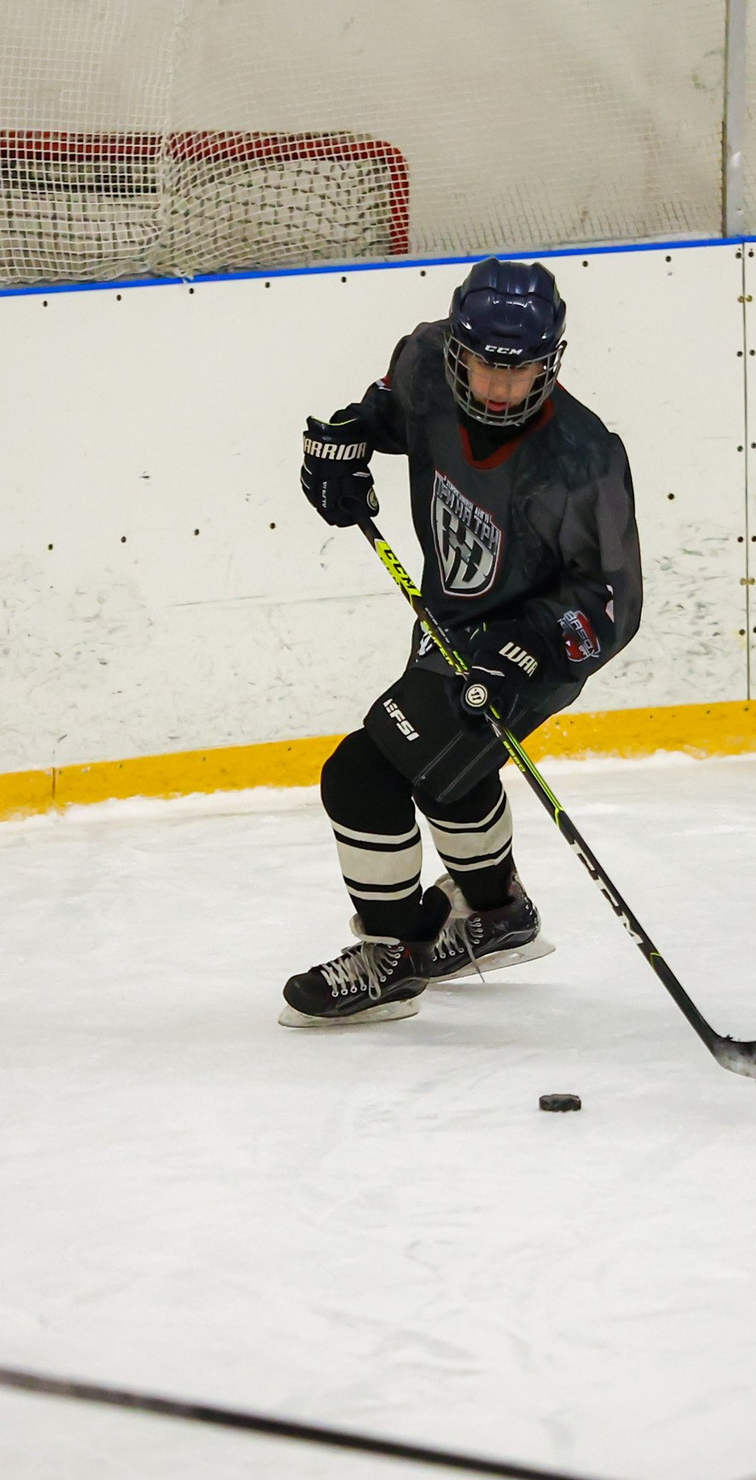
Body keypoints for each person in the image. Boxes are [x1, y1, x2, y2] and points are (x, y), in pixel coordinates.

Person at [285, 256, 643, 1027]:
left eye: (520, 373)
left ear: (551, 362)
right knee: (448, 771)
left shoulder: (585, 459)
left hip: (532, 653)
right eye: (483, 367)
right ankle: (497, 912)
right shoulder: (423, 364)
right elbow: (386, 415)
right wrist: (343, 447)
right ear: (456, 352)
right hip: (449, 623)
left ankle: (394, 954)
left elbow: (610, 603)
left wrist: (523, 653)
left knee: (363, 774)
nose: (499, 390)